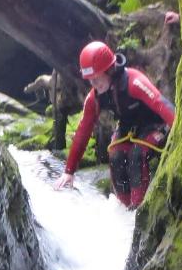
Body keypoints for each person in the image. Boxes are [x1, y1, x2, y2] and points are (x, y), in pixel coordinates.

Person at [54, 41, 175, 209]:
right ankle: (124, 210)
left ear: (109, 70)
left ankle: (137, 210)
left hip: (156, 125)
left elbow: (161, 104)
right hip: (128, 128)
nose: (94, 84)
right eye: (90, 80)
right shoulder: (94, 98)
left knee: (137, 155)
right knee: (116, 155)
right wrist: (69, 171)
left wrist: (178, 127)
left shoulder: (133, 81)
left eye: (96, 78)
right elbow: (83, 132)